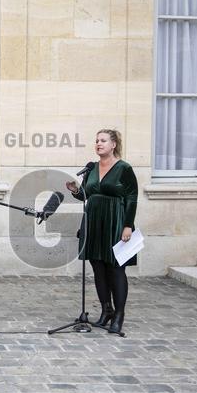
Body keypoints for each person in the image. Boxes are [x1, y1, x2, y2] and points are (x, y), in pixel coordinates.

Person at [65, 129, 138, 335]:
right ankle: (107, 310)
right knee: (98, 267)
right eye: (97, 140)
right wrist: (77, 191)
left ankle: (119, 315)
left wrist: (128, 225)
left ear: (113, 144)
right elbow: (88, 195)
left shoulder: (124, 168)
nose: (99, 144)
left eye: (103, 140)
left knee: (115, 268)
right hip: (94, 221)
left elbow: (132, 197)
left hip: (115, 221)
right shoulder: (92, 168)